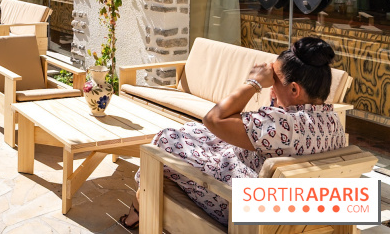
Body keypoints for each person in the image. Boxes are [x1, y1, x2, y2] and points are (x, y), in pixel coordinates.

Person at [119, 37, 346, 229]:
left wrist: (255, 83)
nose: (271, 87)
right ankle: (140, 203)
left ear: (294, 89)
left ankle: (140, 205)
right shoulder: (334, 122)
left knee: (165, 139)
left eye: (274, 81)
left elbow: (213, 118)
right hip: (295, 206)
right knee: (192, 131)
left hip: (239, 201)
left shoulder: (281, 124)